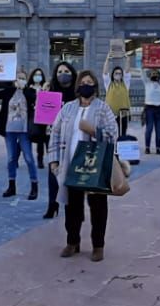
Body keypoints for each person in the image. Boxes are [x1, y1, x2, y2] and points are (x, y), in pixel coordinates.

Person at [49, 70, 121, 261]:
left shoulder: (103, 108)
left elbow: (113, 133)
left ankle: (98, 245)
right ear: (78, 86)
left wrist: (93, 130)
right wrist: (54, 160)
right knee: (72, 207)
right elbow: (55, 133)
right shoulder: (67, 109)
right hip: (71, 164)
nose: (86, 85)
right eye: (83, 82)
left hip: (94, 166)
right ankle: (72, 242)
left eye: (90, 82)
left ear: (95, 86)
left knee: (98, 207)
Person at [0, 70, 39, 200]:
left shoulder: (30, 92)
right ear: (14, 80)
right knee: (11, 158)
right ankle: (11, 186)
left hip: (24, 131)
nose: (21, 80)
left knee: (29, 158)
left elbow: (35, 100)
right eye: (19, 78)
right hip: (9, 130)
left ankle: (34, 186)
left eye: (23, 78)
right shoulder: (8, 91)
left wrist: (25, 89)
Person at [42, 61, 79, 219]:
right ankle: (53, 204)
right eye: (59, 71)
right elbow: (43, 114)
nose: (62, 74)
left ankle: (72, 204)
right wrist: (42, 95)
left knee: (72, 171)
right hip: (54, 137)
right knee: (53, 171)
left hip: (73, 137)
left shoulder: (78, 94)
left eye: (66, 71)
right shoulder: (51, 92)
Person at [28, 67, 52, 168]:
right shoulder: (29, 89)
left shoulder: (45, 87)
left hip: (47, 116)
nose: (38, 77)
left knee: (48, 139)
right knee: (40, 140)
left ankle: (51, 159)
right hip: (36, 117)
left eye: (40, 75)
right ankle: (40, 160)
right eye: (36, 74)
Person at [142, 69, 160, 155]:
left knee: (158, 129)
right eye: (153, 73)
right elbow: (142, 72)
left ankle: (158, 148)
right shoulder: (147, 83)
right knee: (149, 128)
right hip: (150, 107)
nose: (155, 75)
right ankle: (147, 147)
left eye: (156, 73)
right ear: (150, 75)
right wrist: (146, 63)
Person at [107, 67, 131, 136]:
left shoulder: (125, 84)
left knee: (123, 133)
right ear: (113, 74)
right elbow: (105, 73)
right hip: (111, 115)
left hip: (123, 113)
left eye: (120, 73)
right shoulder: (109, 84)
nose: (118, 75)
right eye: (116, 73)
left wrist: (127, 58)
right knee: (111, 133)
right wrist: (107, 59)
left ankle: (120, 145)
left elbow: (127, 72)